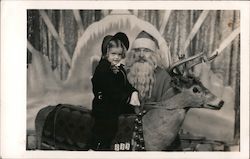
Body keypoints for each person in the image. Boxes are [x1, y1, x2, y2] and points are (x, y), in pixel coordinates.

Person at [89, 32, 140, 150]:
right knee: (109, 125)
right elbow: (110, 91)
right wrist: (127, 98)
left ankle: (128, 144)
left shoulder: (117, 68)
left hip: (116, 103)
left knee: (134, 116)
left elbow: (126, 85)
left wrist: (133, 92)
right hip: (104, 105)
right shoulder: (103, 69)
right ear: (106, 53)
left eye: (119, 54)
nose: (116, 57)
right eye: (113, 54)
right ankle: (99, 147)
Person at [126, 30, 174, 106]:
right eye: (138, 50)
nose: (141, 55)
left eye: (146, 51)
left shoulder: (164, 78)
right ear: (133, 54)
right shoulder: (125, 74)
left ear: (153, 54)